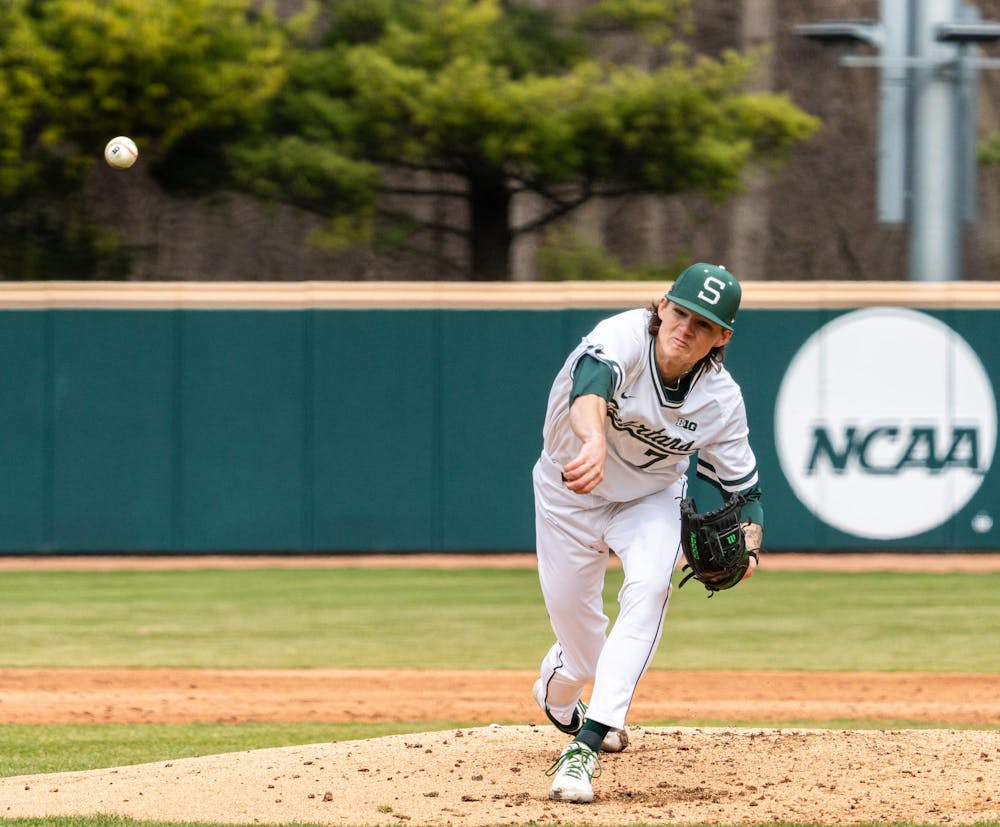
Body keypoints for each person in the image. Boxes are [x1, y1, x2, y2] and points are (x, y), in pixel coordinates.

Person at [531, 262, 764, 803]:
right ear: (662, 306)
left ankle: (585, 745)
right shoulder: (622, 337)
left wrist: (751, 544)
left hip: (651, 498)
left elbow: (746, 492)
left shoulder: (720, 400)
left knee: (652, 587)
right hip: (569, 492)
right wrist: (592, 440)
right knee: (584, 654)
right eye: (680, 312)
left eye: (703, 324)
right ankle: (558, 687)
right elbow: (590, 387)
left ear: (721, 337)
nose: (685, 328)